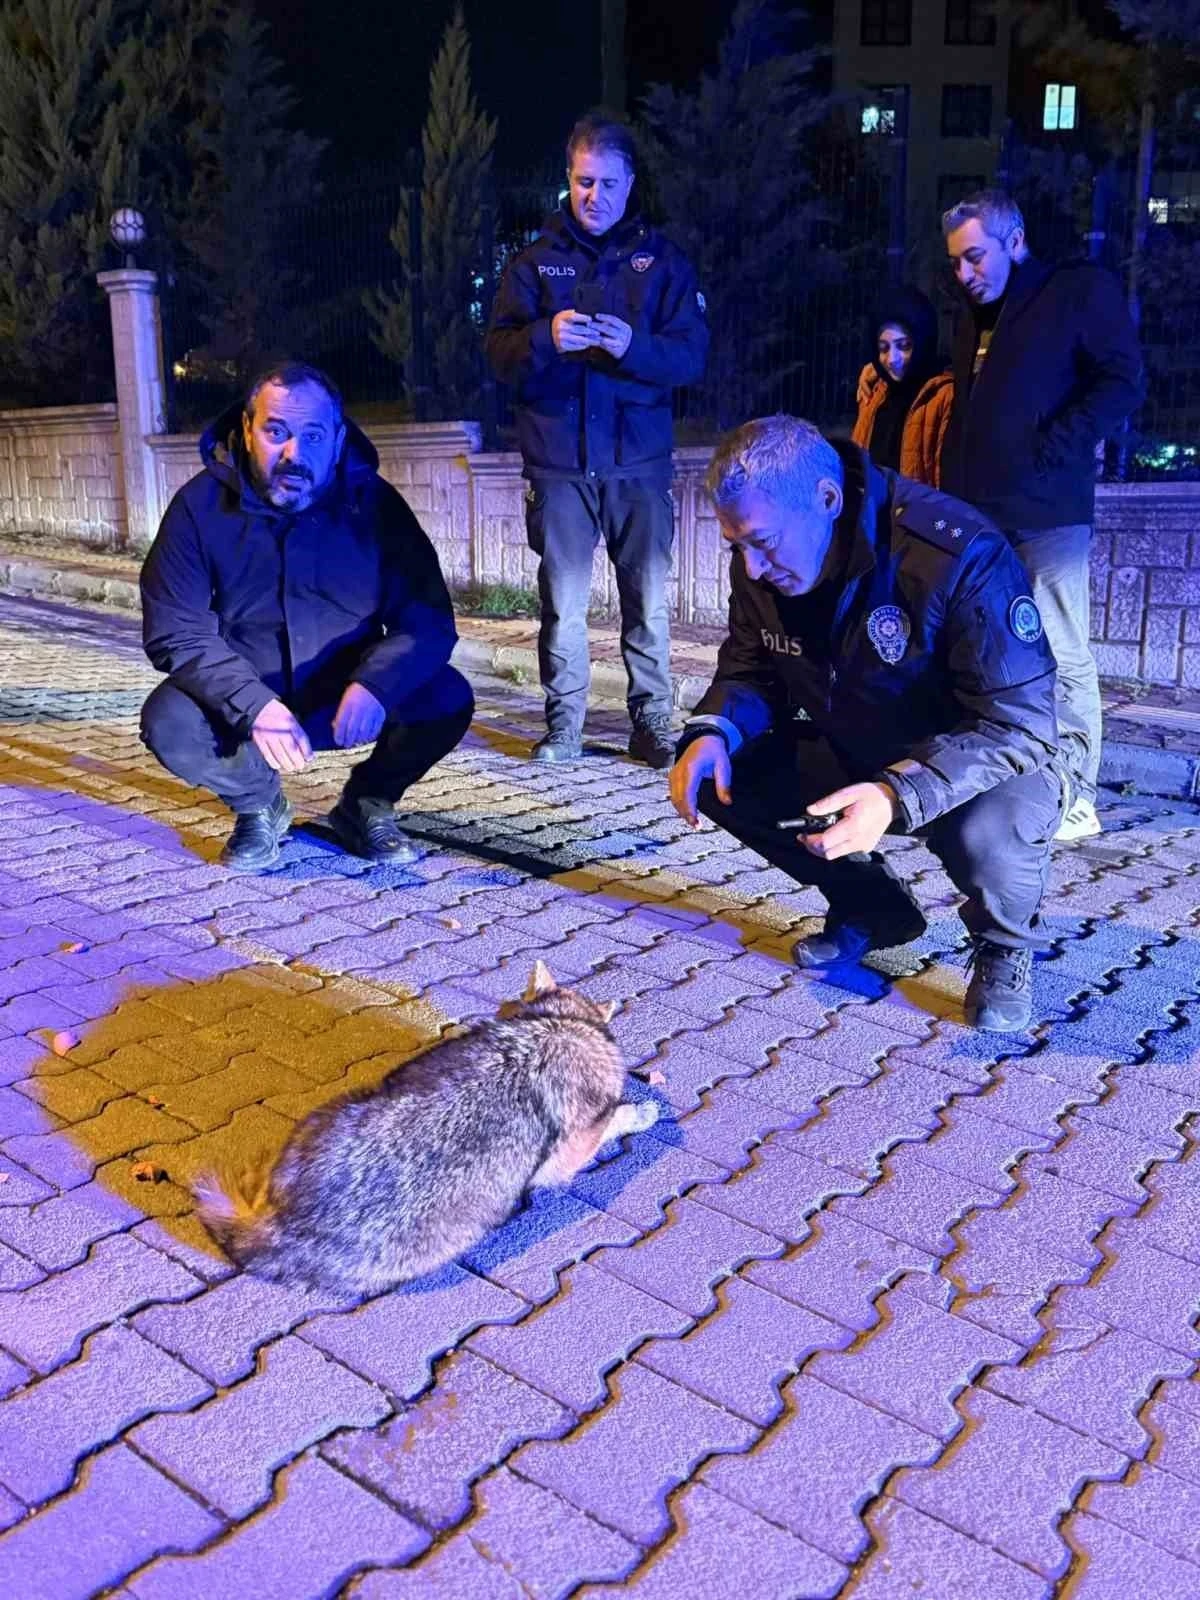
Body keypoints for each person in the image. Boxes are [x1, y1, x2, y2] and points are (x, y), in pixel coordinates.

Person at [669, 415, 1063, 1032]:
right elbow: (750, 669)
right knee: (721, 772)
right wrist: (713, 729)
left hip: (974, 761)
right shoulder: (762, 560)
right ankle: (874, 909)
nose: (750, 568)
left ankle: (1004, 945)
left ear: (827, 500)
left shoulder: (955, 553)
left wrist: (896, 792)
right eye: (735, 546)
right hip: (859, 738)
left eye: (761, 543)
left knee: (990, 832)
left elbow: (1023, 724)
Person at [139, 362, 474, 874]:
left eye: (313, 436)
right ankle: (259, 804)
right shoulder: (198, 508)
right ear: (247, 428)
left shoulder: (376, 507)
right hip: (245, 696)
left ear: (338, 440)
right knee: (168, 722)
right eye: (276, 432)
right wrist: (252, 705)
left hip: (344, 696)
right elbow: (175, 629)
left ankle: (366, 804)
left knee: (446, 696)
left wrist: (376, 685)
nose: (294, 454)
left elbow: (427, 620)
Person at [485, 111, 708, 768]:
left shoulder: (662, 262)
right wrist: (543, 337)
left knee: (648, 603)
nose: (595, 196)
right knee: (563, 606)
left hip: (638, 465)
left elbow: (690, 357)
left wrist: (634, 346)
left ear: (630, 183)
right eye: (584, 182)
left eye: (608, 183)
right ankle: (565, 727)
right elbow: (497, 355)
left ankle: (652, 725)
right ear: (569, 177)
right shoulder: (532, 264)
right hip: (558, 465)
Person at [940, 189, 1144, 842]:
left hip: (1049, 510)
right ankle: (1009, 781)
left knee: (1060, 645)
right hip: (981, 510)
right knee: (992, 648)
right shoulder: (974, 316)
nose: (964, 273)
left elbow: (1123, 379)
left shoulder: (1072, 292)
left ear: (1015, 239)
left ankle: (1077, 793)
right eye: (955, 261)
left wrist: (1053, 448)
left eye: (975, 257)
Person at [850, 285, 953, 485]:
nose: (892, 359)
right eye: (883, 348)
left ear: (922, 341)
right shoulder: (874, 392)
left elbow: (945, 483)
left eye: (904, 346)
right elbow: (857, 466)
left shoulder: (942, 396)